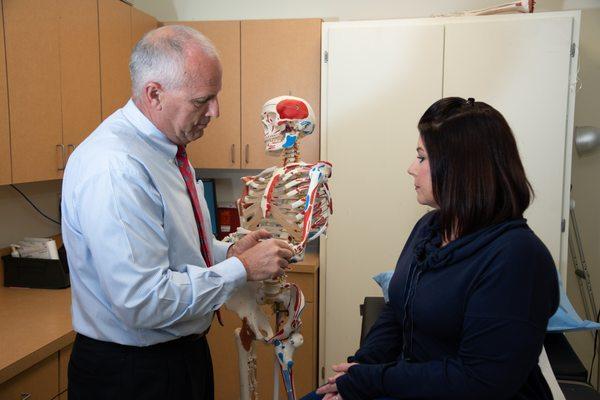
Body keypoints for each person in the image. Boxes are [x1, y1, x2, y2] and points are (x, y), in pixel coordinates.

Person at [61, 25, 293, 400]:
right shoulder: (116, 167)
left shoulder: (164, 151)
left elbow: (175, 251)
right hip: (133, 375)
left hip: (179, 357)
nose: (215, 111)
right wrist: (242, 270)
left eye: (215, 97)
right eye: (203, 100)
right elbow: (144, 300)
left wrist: (228, 253)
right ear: (154, 94)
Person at [305, 97, 559, 400]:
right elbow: (398, 309)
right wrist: (363, 364)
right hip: (414, 384)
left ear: (462, 169)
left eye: (422, 158)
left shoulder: (516, 258)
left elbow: (481, 381)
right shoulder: (430, 229)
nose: (411, 169)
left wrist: (373, 379)